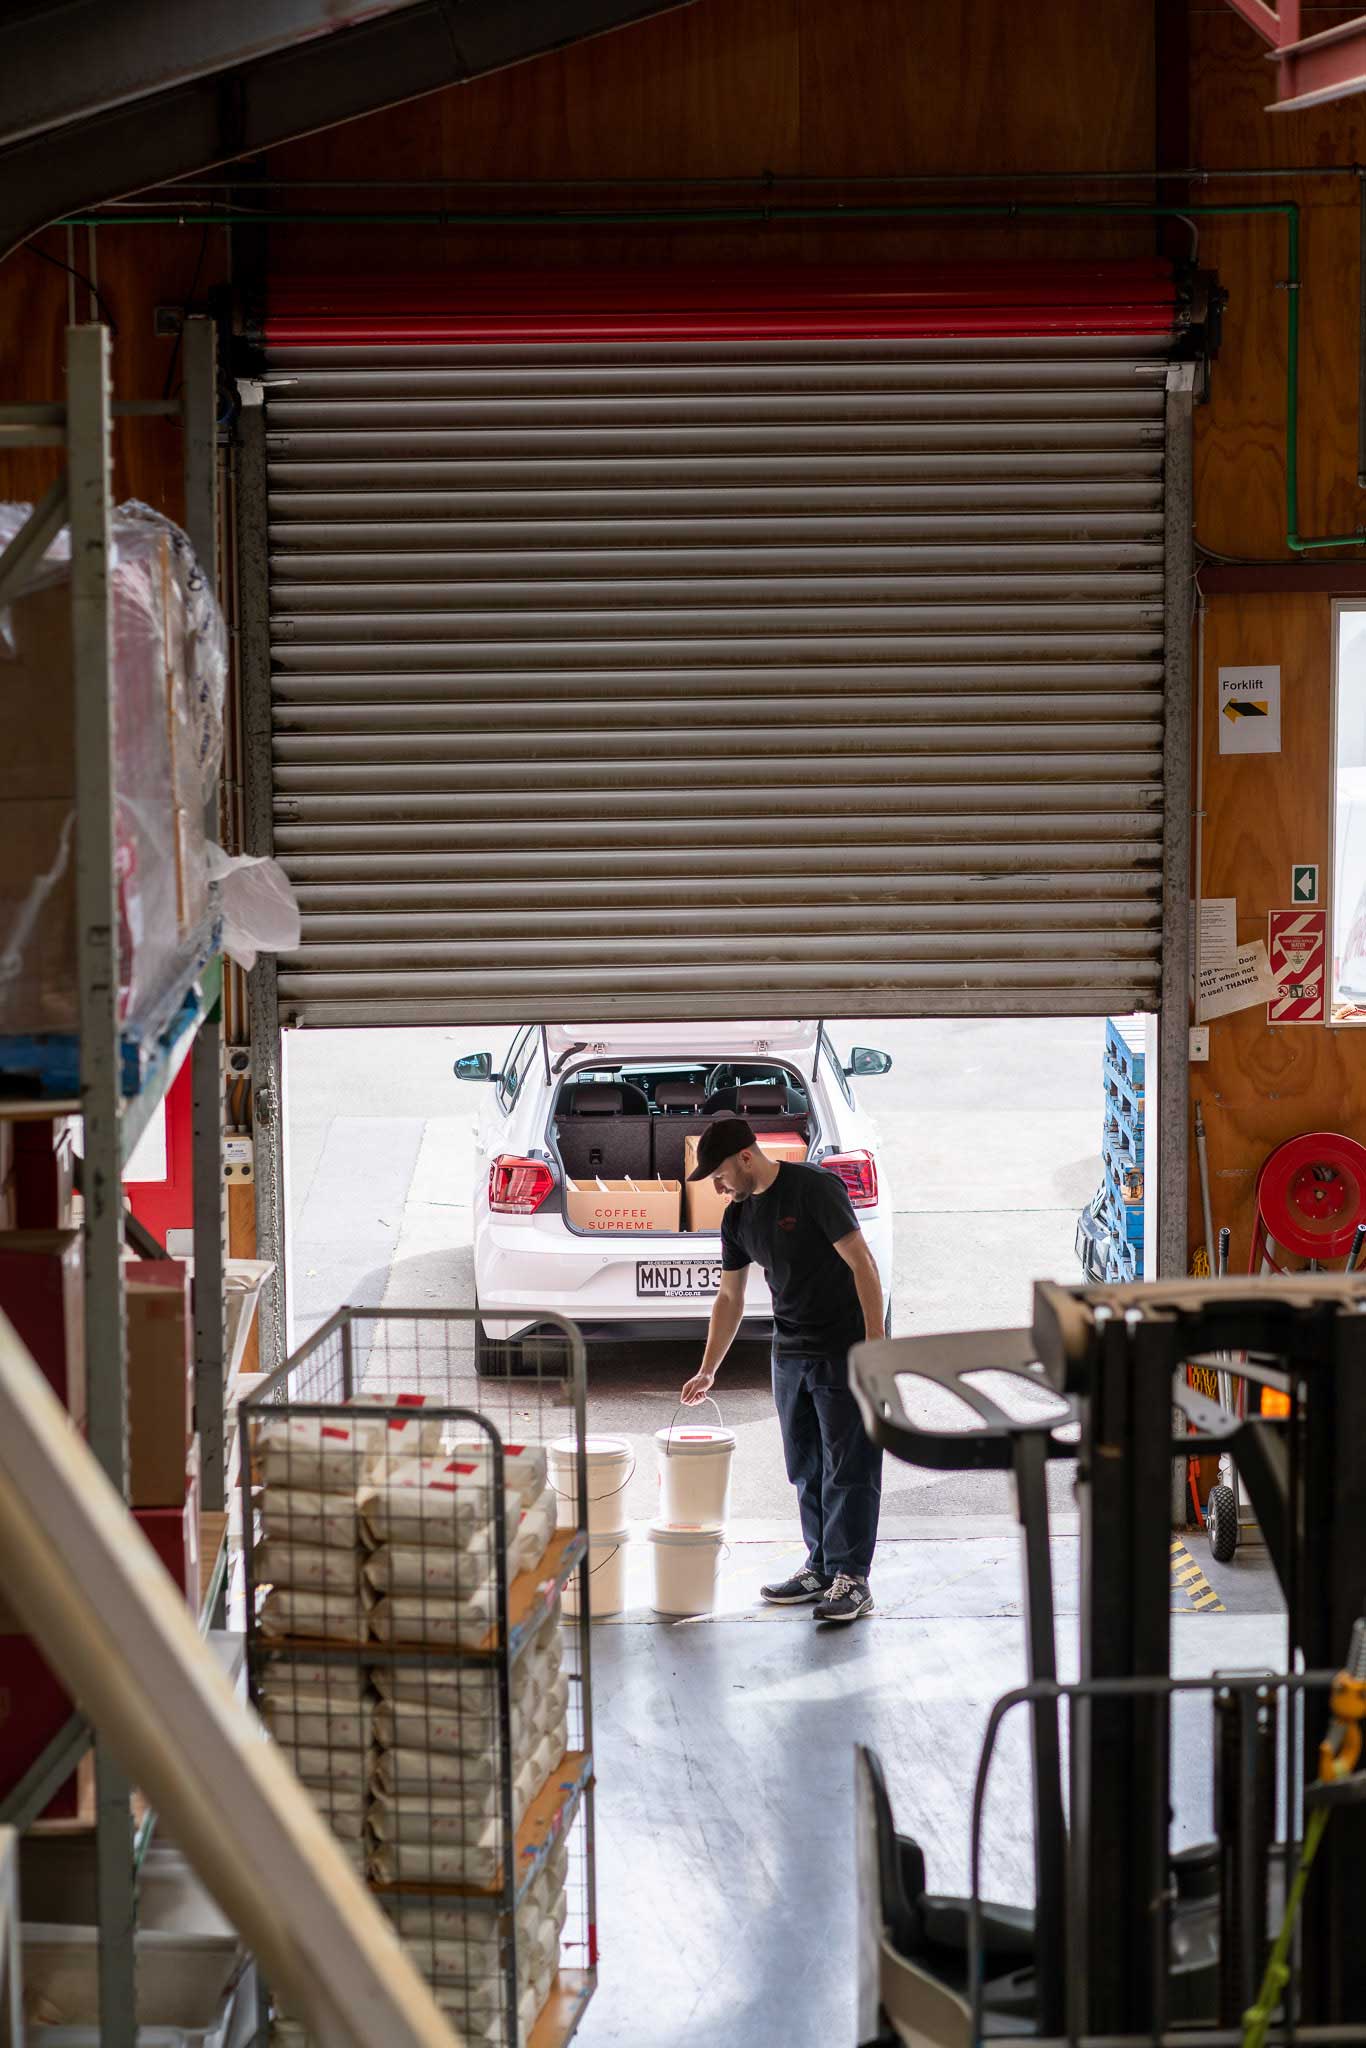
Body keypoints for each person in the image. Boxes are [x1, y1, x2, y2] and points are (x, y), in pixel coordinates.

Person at [679, 1117, 885, 1623]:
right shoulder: (738, 1219)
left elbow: (863, 1263)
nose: (717, 1185)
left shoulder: (814, 1188)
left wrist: (876, 1346)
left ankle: (852, 1576)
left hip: (845, 1347)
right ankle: (820, 1565)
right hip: (789, 1350)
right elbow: (729, 1296)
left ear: (746, 1157)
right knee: (806, 1466)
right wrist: (709, 1369)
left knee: (848, 1465)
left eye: (720, 1173)